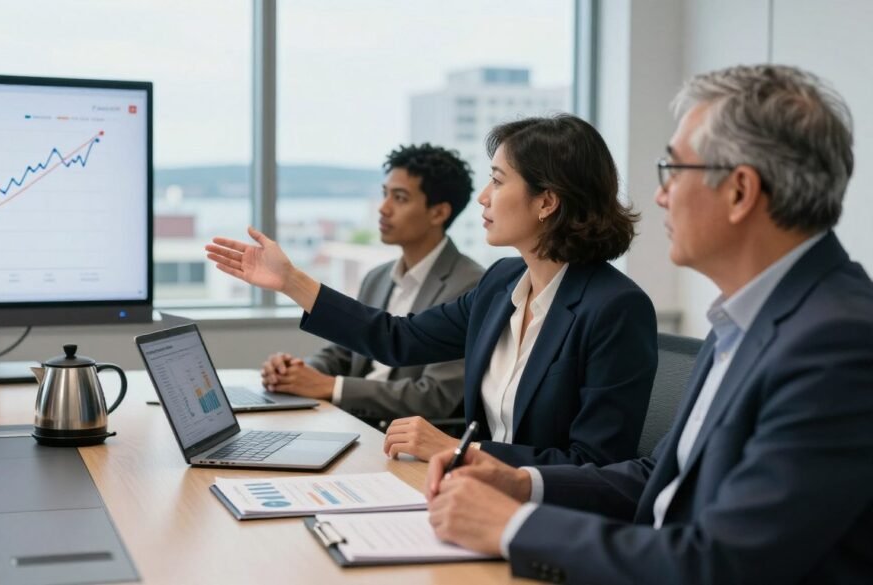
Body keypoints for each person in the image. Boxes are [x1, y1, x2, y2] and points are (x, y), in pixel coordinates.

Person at [423, 64, 873, 585]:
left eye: (674, 170)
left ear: (740, 191)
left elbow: (725, 564)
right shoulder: (748, 318)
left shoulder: (839, 343)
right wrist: (523, 483)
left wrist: (513, 527)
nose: (661, 195)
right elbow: (659, 478)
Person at [206, 114, 658, 464]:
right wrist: (291, 281)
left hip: (543, 516)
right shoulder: (501, 282)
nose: (483, 197)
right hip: (471, 492)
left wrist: (462, 451)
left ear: (547, 201)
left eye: (498, 181)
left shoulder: (615, 308)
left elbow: (595, 464)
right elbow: (397, 338)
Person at [260, 144, 484, 427]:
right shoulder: (377, 277)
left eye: (400, 198)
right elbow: (343, 351)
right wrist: (297, 373)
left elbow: (435, 396)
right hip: (352, 422)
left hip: (399, 436)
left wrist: (331, 387)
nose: (383, 208)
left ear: (438, 212)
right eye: (384, 194)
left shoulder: (470, 284)